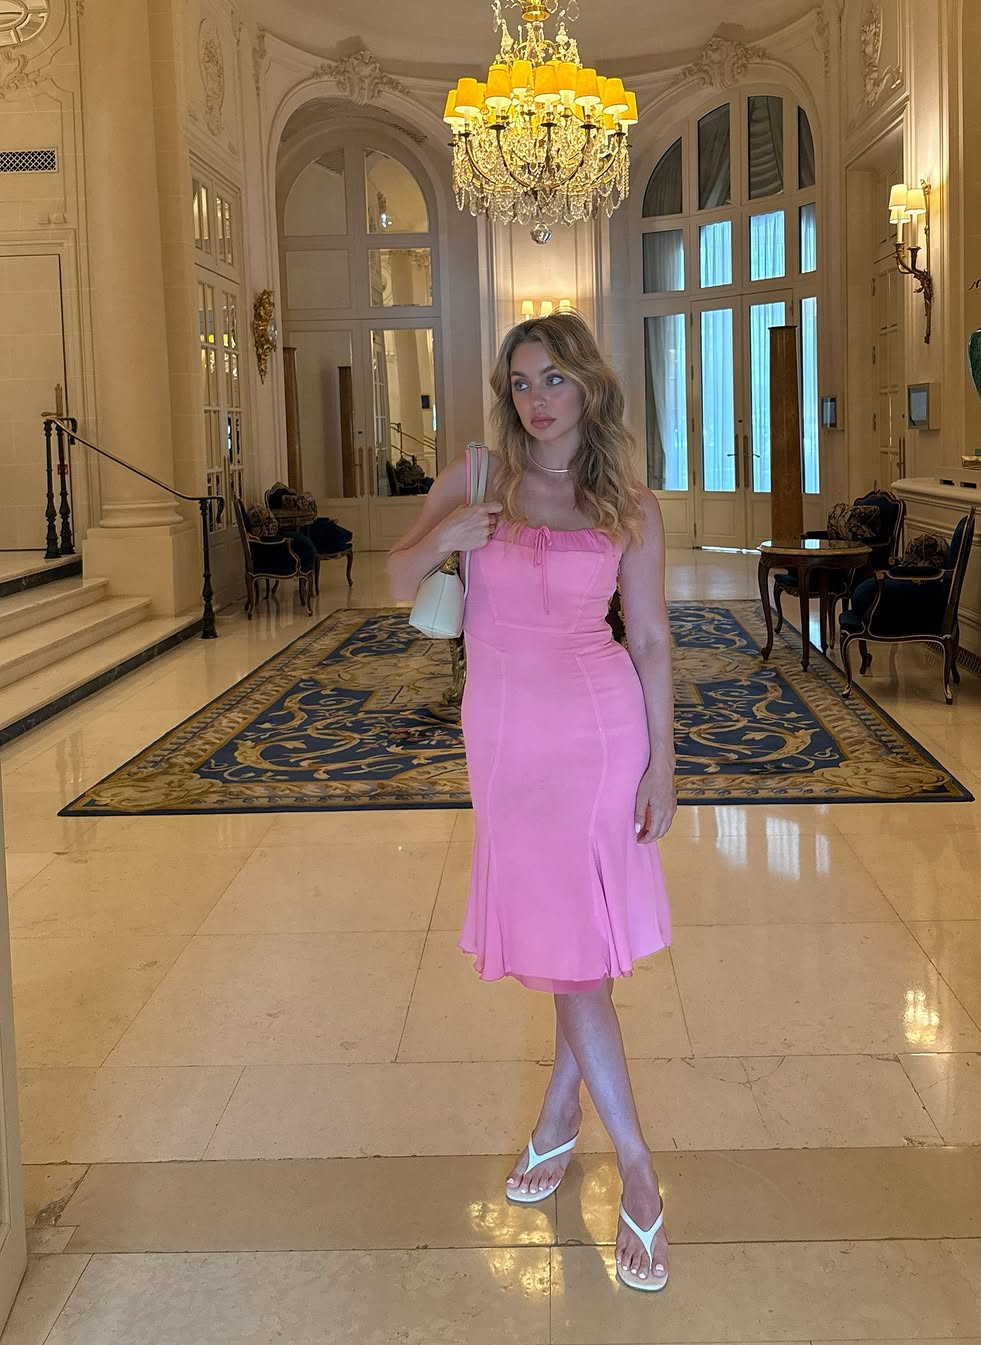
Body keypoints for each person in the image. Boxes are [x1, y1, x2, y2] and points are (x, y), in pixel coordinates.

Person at [387, 311, 675, 1292]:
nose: (537, 399)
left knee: (578, 955)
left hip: (599, 734)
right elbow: (394, 576)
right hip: (506, 740)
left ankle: (636, 1167)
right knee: (569, 943)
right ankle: (560, 1112)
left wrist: (664, 763)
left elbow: (649, 641)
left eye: (553, 378)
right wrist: (446, 536)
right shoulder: (479, 476)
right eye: (521, 381)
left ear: (588, 383)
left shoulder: (628, 503)